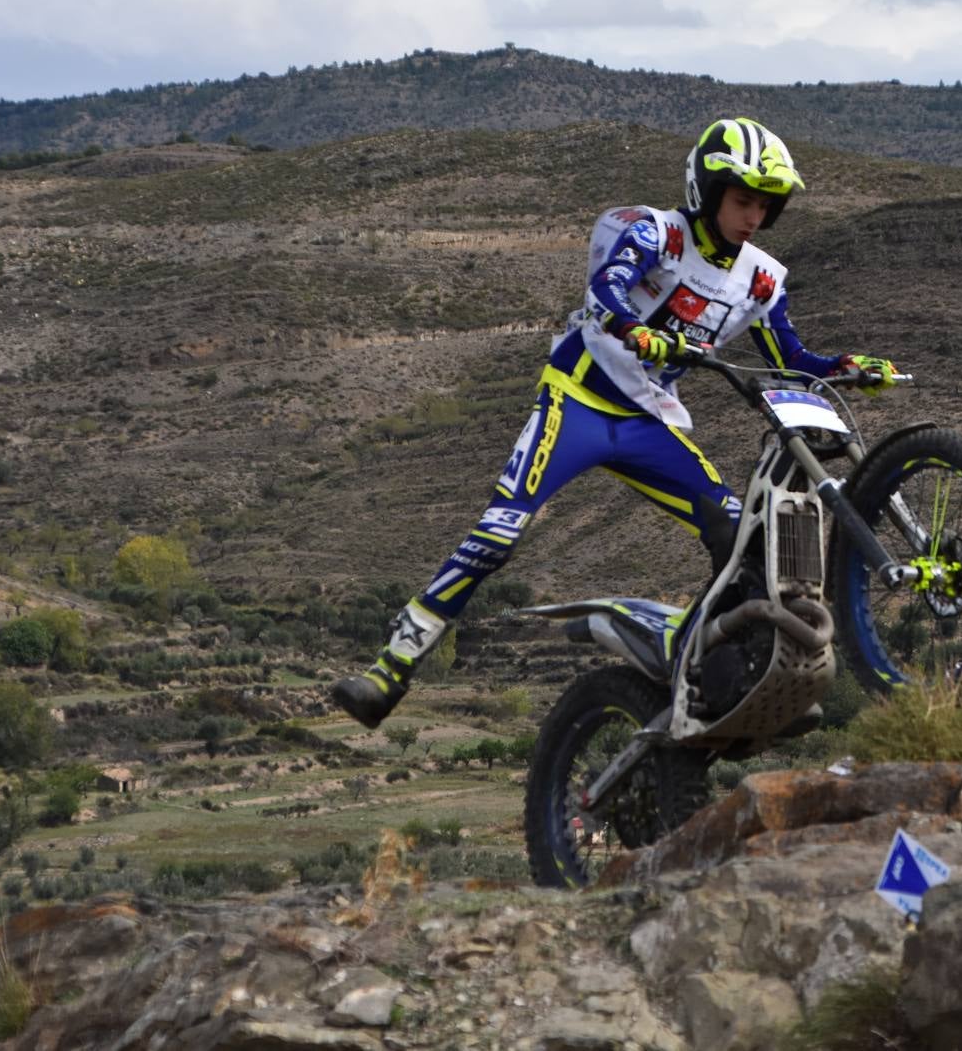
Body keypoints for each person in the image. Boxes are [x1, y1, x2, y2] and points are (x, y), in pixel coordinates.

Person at [331, 118, 897, 728]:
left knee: (744, 539)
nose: (752, 217)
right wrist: (635, 330)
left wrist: (844, 366)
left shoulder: (761, 278)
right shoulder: (657, 233)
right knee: (500, 534)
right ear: (708, 192)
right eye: (740, 201)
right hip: (577, 399)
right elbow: (608, 287)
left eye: (764, 205)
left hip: (649, 420)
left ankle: (722, 672)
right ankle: (393, 666)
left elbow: (789, 360)